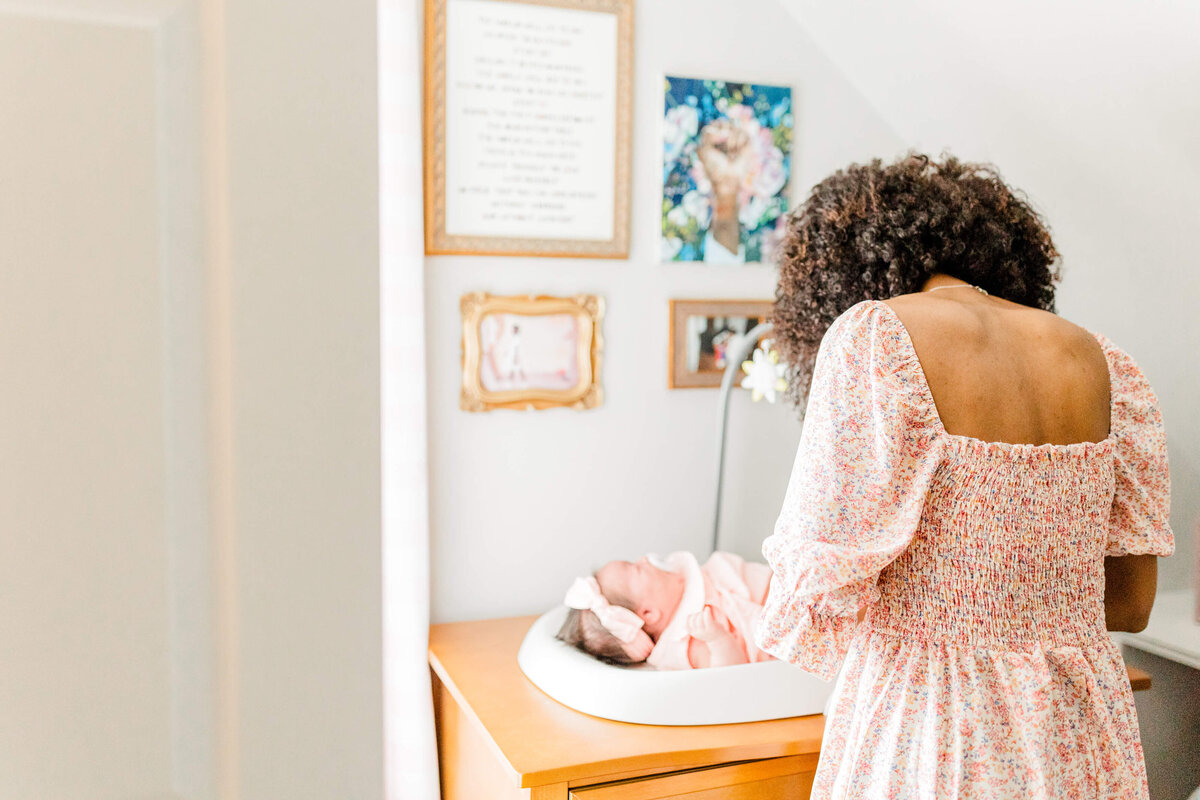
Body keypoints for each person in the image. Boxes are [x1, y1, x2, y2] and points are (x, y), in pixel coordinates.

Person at [757, 153, 1173, 799]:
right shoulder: (1106, 362)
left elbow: (810, 600)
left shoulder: (876, 338)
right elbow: (1130, 604)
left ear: (841, 273)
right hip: (1075, 716)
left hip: (930, 715)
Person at [555, 551, 777, 669]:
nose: (643, 558)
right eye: (636, 567)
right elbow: (728, 679)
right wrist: (718, 640)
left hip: (780, 581)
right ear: (649, 613)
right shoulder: (687, 639)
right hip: (785, 623)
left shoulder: (682, 581)